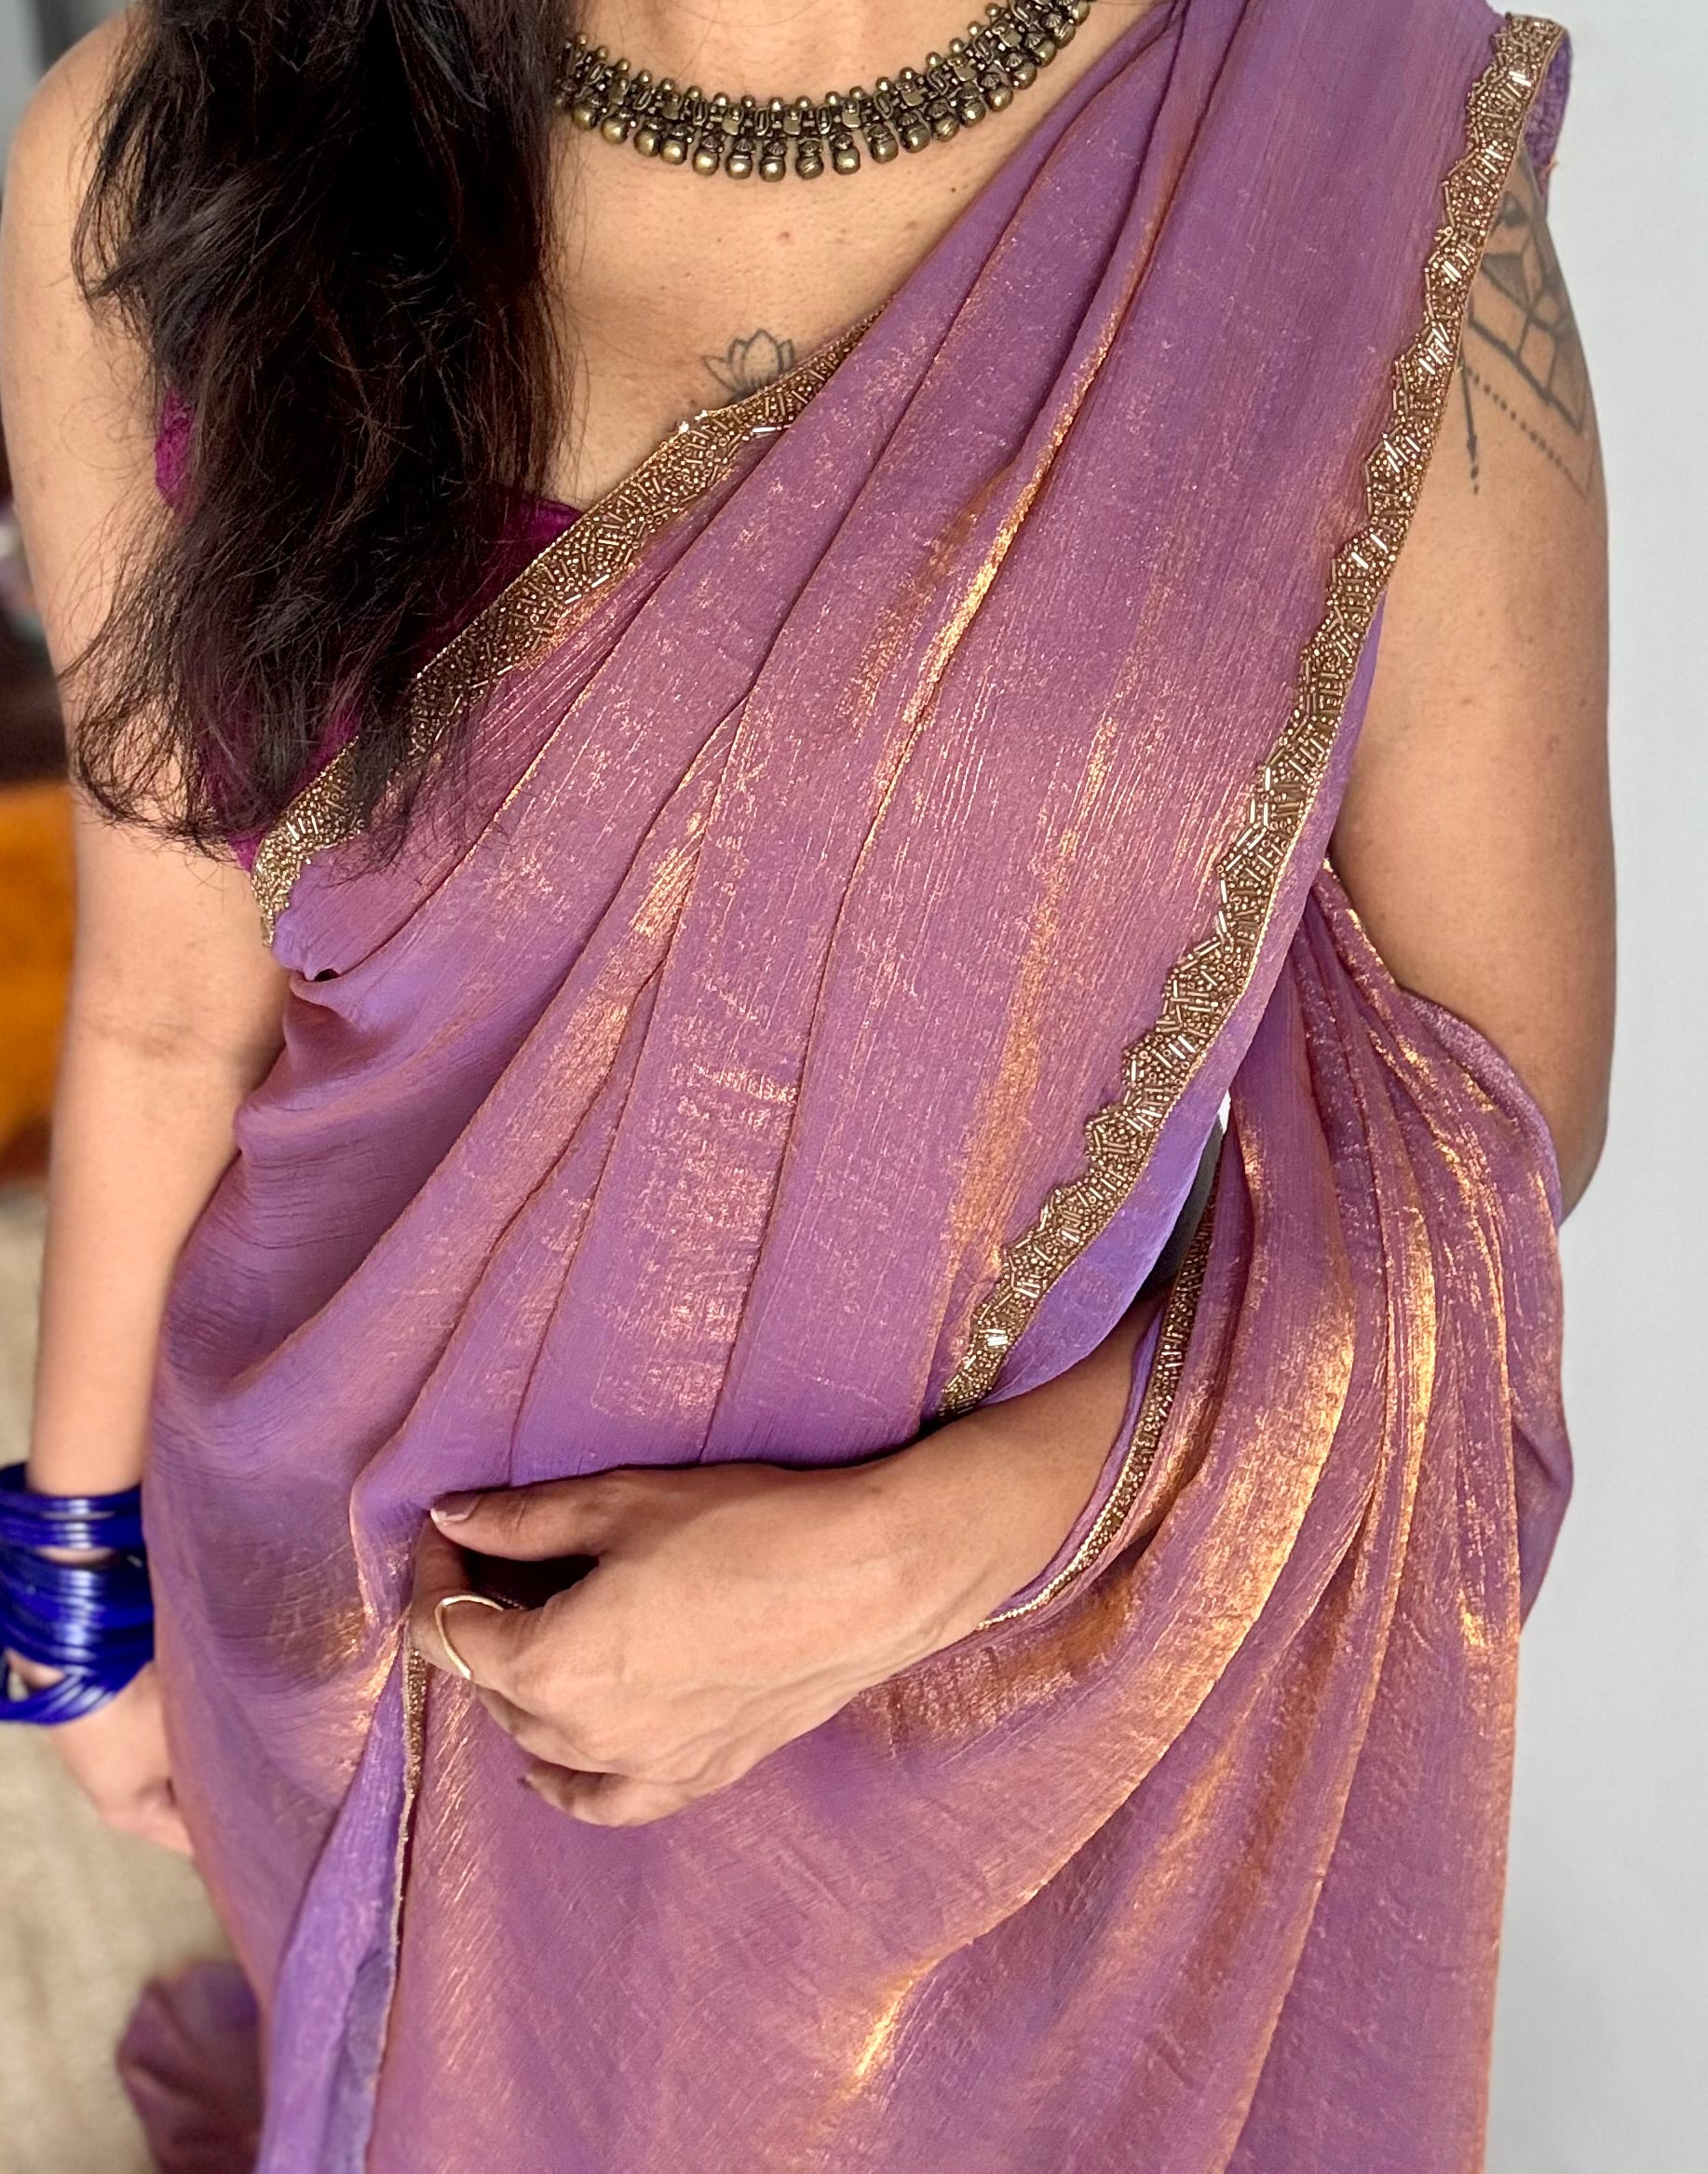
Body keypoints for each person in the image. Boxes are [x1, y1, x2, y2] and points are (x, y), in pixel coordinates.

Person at [0, 0, 1611, 2165]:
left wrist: (920, 1557)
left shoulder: (1341, 155)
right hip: (351, 1637)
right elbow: (165, 1002)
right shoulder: (181, 122)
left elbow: (1485, 1122)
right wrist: (76, 1571)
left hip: (986, 1735)